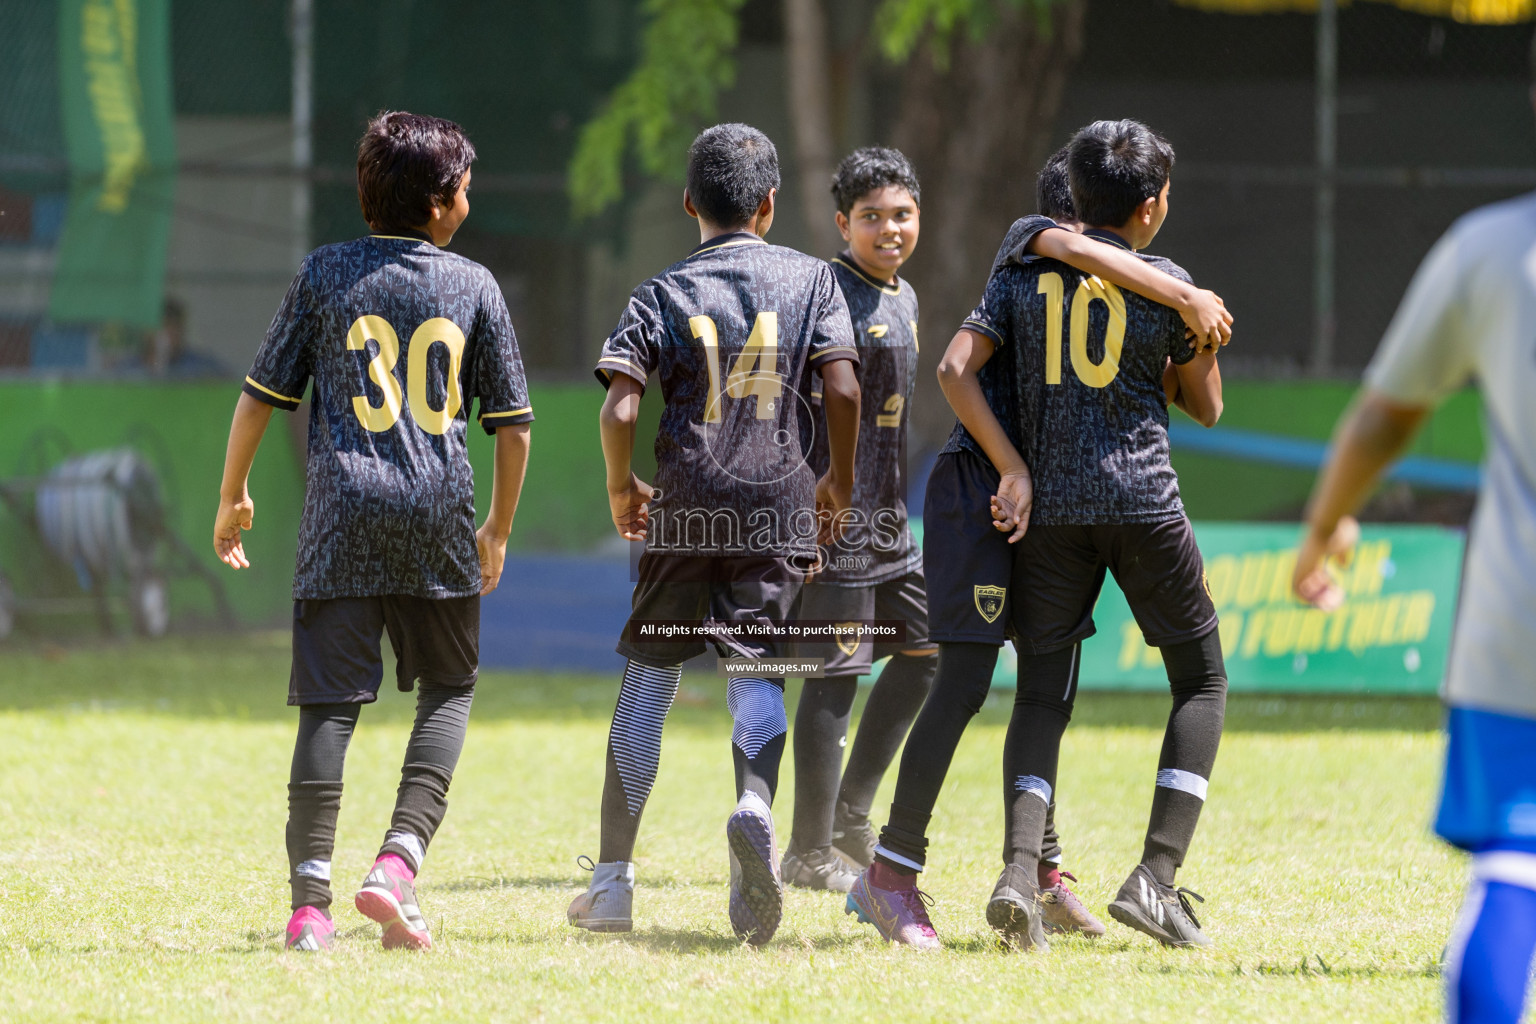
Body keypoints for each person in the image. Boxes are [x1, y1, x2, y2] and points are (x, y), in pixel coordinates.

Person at [848, 119, 1227, 951]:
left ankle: (1033, 875)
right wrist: (1184, 303)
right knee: (975, 683)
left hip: (1039, 503)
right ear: (1147, 208)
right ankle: (892, 868)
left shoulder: (1032, 277)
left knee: (1039, 691)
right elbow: (1205, 402)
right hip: (1010, 494)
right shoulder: (1035, 245)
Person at [212, 111, 533, 953]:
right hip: (437, 514)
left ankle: (310, 908)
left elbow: (259, 398)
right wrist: (495, 527)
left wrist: (232, 495)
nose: (469, 195)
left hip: (340, 516)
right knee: (451, 689)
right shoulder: (473, 287)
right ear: (437, 204)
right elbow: (513, 425)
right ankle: (396, 864)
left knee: (328, 709)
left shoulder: (324, 272)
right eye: (463, 184)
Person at [566, 123, 861, 947]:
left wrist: (624, 485)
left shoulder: (659, 291)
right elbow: (842, 385)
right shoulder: (815, 283)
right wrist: (833, 480)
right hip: (778, 506)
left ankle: (613, 886)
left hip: (685, 506)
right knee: (755, 670)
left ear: (689, 202)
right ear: (770, 203)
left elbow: (620, 404)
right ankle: (754, 806)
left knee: (650, 679)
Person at [1292, 39, 1536, 1023]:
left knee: (1517, 864)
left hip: (1519, 628)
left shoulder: (1491, 250)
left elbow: (1387, 415)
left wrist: (1323, 527)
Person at [781, 147, 940, 895]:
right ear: (842, 223)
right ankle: (808, 851)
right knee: (834, 678)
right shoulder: (826, 294)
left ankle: (850, 816)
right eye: (871, 217)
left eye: (901, 214)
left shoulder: (904, 297)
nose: (889, 229)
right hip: (835, 524)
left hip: (890, 527)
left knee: (929, 652)